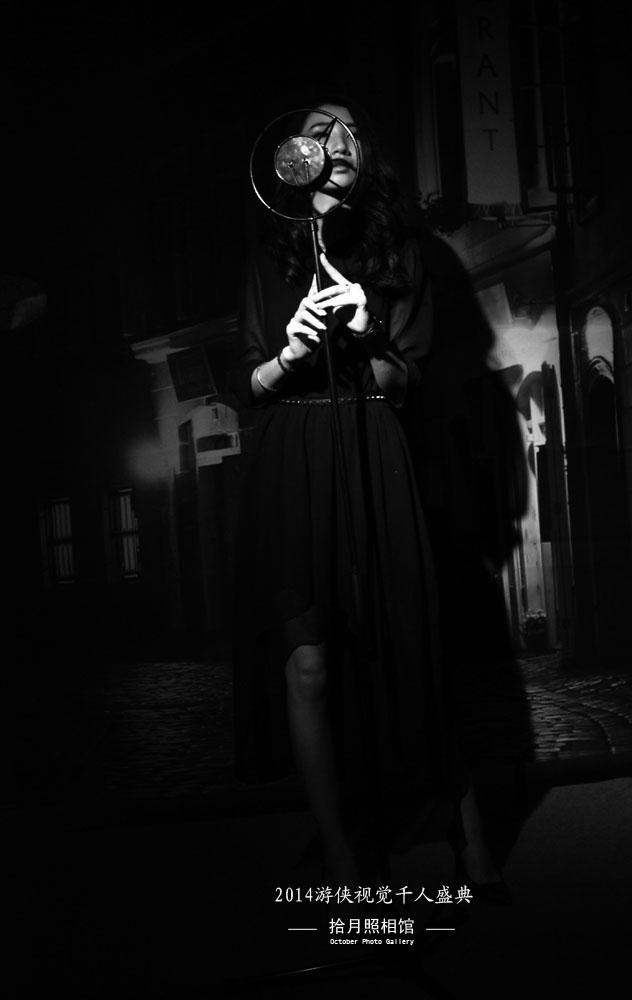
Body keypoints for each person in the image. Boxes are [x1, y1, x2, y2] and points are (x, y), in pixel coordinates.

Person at [230, 98, 504, 892]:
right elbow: (249, 384)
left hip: (375, 446)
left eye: (350, 130)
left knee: (413, 648)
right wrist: (289, 354)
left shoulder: (400, 250)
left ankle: (469, 838)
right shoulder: (266, 254)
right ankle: (343, 855)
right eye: (320, 130)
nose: (337, 141)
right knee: (309, 663)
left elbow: (406, 381)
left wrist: (364, 330)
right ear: (295, 158)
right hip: (294, 457)